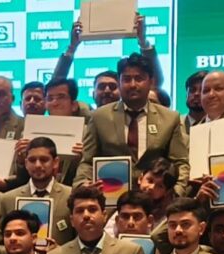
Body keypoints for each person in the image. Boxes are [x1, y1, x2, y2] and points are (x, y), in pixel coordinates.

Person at [76, 54, 189, 197]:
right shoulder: (99, 117)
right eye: (126, 79)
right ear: (119, 82)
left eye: (139, 78)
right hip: (111, 198)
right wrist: (83, 185)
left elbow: (180, 163)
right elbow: (87, 162)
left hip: (156, 199)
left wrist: (176, 193)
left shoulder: (169, 118)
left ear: (151, 82)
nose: (133, 84)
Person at [53, 13, 164, 101]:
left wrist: (143, 41)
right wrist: (72, 47)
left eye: (112, 86)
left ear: (122, 89)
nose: (107, 91)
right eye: (101, 87)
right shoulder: (86, 115)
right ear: (93, 93)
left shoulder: (132, 115)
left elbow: (154, 83)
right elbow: (55, 87)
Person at [0, 137, 75, 247]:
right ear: (26, 163)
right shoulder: (8, 199)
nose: (38, 165)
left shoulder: (71, 196)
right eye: (32, 160)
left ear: (55, 162)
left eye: (44, 160)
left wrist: (60, 253)